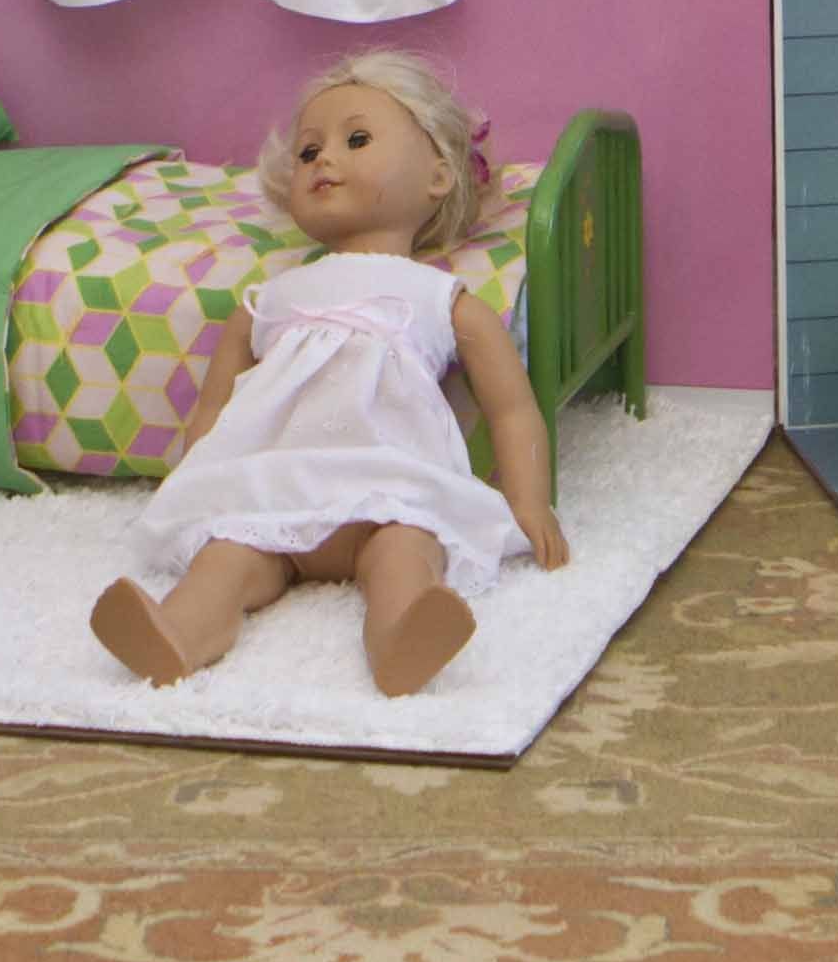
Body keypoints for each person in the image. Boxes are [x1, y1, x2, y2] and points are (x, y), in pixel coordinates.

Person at [91, 51, 569, 698]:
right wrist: (193, 477)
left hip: (389, 485)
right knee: (225, 558)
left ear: (438, 175)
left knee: (405, 554)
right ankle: (178, 633)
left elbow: (512, 407)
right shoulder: (270, 298)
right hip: (274, 490)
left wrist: (529, 500)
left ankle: (401, 638)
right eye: (309, 151)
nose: (323, 161)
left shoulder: (438, 297)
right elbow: (216, 407)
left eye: (358, 139)